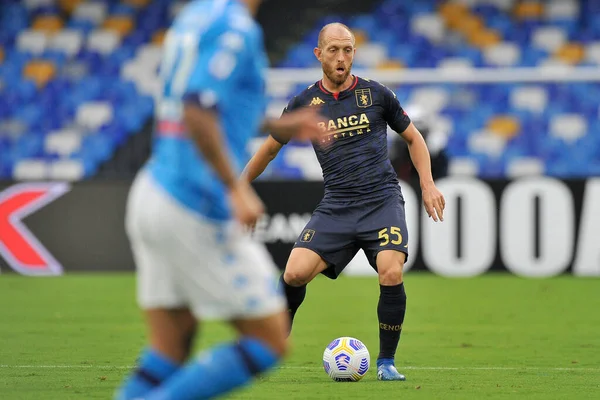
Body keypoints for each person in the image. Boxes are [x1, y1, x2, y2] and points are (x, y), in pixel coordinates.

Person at [115, 1, 324, 399]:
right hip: (193, 203)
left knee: (169, 347)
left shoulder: (196, 17)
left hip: (154, 189)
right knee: (269, 340)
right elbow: (198, 109)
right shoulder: (235, 28)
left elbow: (202, 102)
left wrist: (277, 125)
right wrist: (236, 186)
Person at [243, 22, 446, 381]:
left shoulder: (377, 95)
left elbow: (414, 139)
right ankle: (273, 343)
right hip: (337, 205)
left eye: (348, 49)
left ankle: (386, 363)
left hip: (381, 200)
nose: (341, 57)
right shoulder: (304, 103)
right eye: (333, 50)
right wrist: (238, 187)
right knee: (293, 273)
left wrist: (427, 185)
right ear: (319, 54)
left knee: (391, 270)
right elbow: (270, 149)